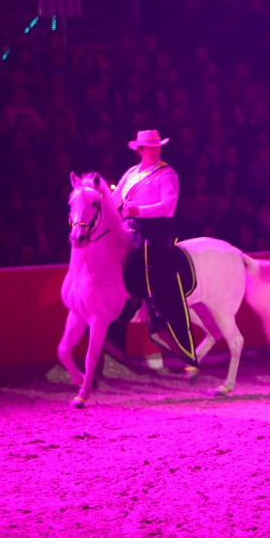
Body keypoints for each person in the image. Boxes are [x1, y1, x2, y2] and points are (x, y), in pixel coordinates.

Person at [104, 130, 195, 365]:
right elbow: (116, 201)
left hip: (155, 231)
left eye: (157, 147)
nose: (155, 151)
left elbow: (168, 206)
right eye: (150, 147)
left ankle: (157, 313)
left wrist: (139, 211)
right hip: (130, 228)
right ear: (140, 150)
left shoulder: (167, 173)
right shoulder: (131, 174)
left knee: (147, 264)